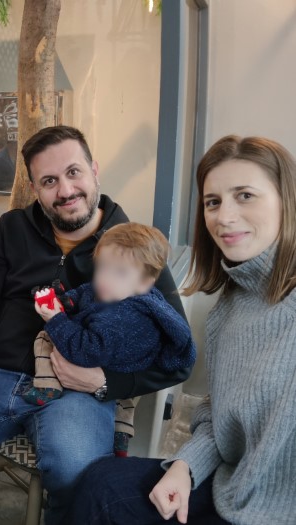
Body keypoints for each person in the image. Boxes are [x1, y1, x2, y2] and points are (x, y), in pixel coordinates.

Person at [0, 125, 192, 524]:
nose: (65, 190)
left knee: (77, 473)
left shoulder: (133, 246)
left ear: (94, 170)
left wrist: (106, 382)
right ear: (34, 188)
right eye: (49, 181)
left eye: (73, 172)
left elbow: (179, 356)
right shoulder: (11, 228)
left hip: (76, 391)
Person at [70, 135, 296, 525]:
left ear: (286, 201)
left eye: (245, 196)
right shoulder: (231, 305)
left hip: (276, 511)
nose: (224, 217)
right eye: (213, 202)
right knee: (101, 483)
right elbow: (220, 417)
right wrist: (185, 466)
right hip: (233, 485)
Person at [23, 222, 196, 406]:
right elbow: (85, 292)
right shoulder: (115, 290)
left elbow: (85, 352)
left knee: (45, 338)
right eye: (103, 267)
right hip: (102, 355)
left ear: (145, 283)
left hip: (97, 361)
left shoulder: (124, 319)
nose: (106, 278)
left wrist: (56, 319)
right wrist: (66, 301)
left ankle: (48, 387)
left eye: (120, 272)